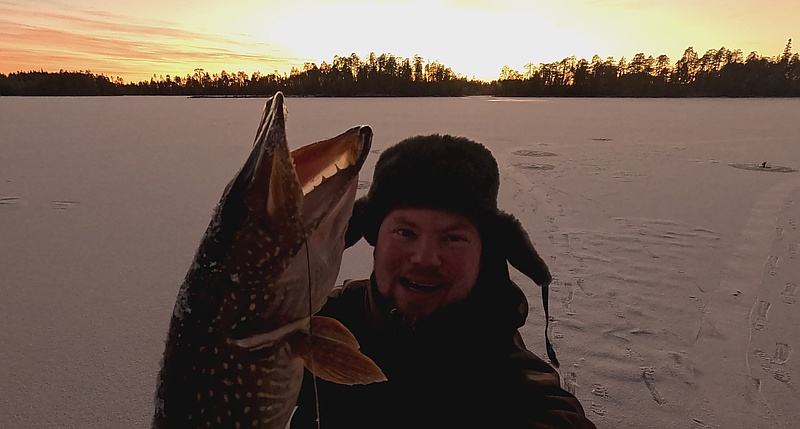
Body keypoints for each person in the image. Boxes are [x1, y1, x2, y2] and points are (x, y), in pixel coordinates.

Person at [291, 134, 596, 429]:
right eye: (405, 232)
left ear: (485, 251)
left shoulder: (509, 375)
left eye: (453, 238)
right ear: (374, 236)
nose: (425, 258)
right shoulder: (311, 325)